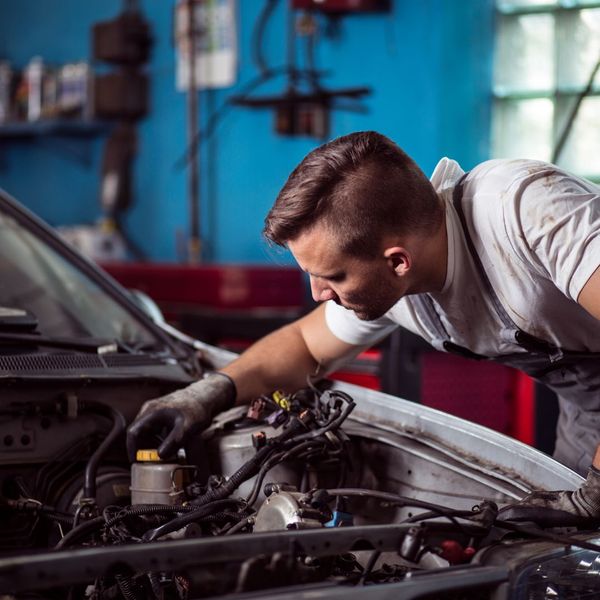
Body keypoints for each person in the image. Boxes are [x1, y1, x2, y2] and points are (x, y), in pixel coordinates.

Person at [127, 131, 600, 515]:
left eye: (331, 277)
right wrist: (209, 393)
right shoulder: (396, 277)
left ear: (398, 261)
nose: (318, 294)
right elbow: (305, 347)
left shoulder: (526, 211)